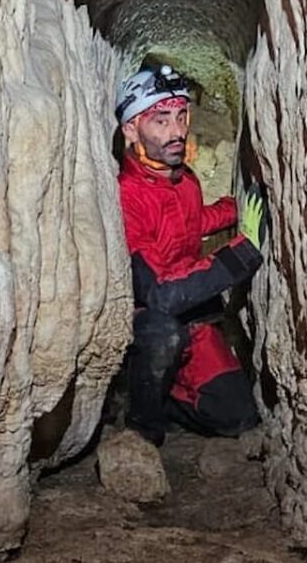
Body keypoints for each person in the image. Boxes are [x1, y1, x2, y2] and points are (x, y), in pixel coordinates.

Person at [114, 63, 265, 446]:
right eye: (161, 121)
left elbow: (192, 221)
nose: (177, 131)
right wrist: (242, 252)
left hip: (192, 315)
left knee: (238, 414)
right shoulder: (127, 195)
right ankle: (141, 430)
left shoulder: (183, 178)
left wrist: (236, 208)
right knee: (163, 334)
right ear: (131, 129)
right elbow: (159, 294)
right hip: (147, 317)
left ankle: (165, 399)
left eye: (181, 116)